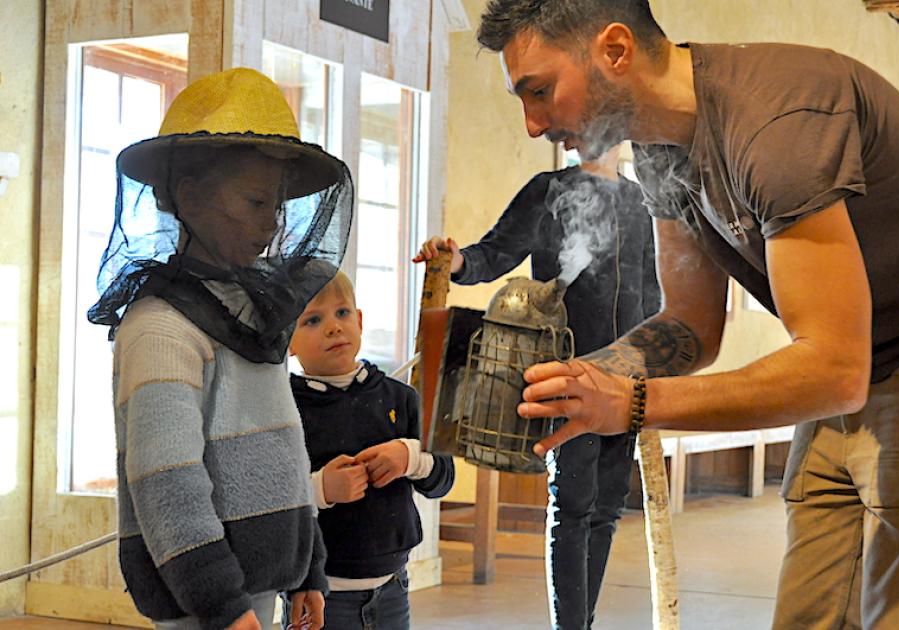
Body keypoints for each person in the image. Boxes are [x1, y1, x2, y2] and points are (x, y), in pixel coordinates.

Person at [475, 1, 899, 628]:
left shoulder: (774, 125)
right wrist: (580, 382)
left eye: (541, 91)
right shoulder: (660, 153)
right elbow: (689, 325)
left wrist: (629, 403)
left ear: (615, 50)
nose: (532, 124)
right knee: (808, 617)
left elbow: (832, 367)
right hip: (858, 375)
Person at [88, 67, 354, 629]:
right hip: (204, 607)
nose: (272, 224)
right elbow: (168, 485)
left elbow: (282, 451)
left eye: (278, 204)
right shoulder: (161, 329)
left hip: (254, 593)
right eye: (256, 201)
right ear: (190, 195)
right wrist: (223, 607)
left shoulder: (251, 317)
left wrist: (308, 568)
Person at [413, 144, 659, 630]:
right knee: (572, 505)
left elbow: (658, 292)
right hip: (564, 373)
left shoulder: (644, 203)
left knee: (607, 507)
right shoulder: (549, 192)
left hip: (627, 378)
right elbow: (494, 252)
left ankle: (581, 622)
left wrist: (656, 375)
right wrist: (457, 261)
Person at [286, 268, 455, 630]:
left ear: (359, 321)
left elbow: (443, 478)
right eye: (313, 320)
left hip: (394, 586)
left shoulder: (402, 399)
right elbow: (273, 501)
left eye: (342, 313)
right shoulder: (286, 410)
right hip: (320, 594)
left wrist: (409, 457)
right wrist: (322, 488)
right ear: (287, 340)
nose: (334, 327)